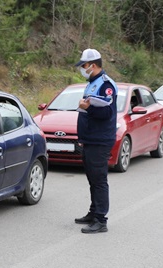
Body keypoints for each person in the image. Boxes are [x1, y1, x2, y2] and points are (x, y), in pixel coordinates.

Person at [73, 48, 117, 234]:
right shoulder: (92, 83)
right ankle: (93, 213)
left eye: (84, 65)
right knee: (92, 178)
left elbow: (106, 112)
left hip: (100, 140)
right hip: (90, 139)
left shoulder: (106, 84)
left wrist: (87, 108)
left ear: (93, 65)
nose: (82, 68)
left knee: (99, 180)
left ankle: (101, 220)